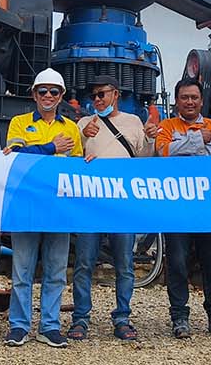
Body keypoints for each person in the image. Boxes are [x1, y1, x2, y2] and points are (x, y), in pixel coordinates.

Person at [67, 75, 157, 342]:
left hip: (121, 203)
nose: (97, 100)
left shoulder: (132, 122)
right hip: (90, 204)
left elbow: (143, 159)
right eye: (93, 96)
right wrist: (82, 140)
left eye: (101, 94)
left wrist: (151, 139)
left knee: (125, 264)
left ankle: (122, 317)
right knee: (84, 263)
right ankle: (81, 317)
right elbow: (71, 159)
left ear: (115, 94)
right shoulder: (84, 123)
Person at [2, 68, 82, 348]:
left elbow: (75, 168)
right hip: (26, 205)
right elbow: (14, 157)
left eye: (54, 91)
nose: (48, 96)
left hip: (59, 208)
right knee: (22, 270)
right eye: (43, 91)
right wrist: (51, 147)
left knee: (56, 271)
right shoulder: (19, 123)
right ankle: (19, 325)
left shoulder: (71, 128)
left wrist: (88, 161)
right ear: (34, 94)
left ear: (61, 96)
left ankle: (49, 326)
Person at [154, 78, 211, 339]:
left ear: (201, 101)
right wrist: (197, 141)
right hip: (175, 208)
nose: (189, 102)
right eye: (184, 98)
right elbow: (163, 153)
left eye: (194, 97)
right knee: (177, 263)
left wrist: (190, 144)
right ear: (176, 101)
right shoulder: (166, 127)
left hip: (208, 209)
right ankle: (179, 316)